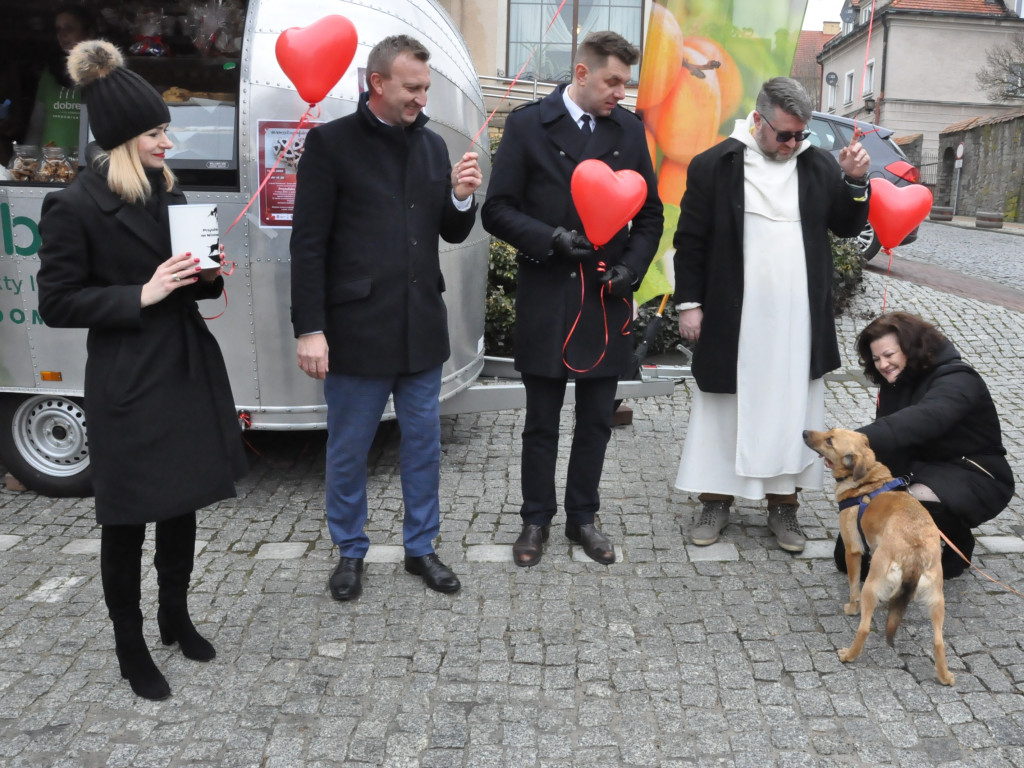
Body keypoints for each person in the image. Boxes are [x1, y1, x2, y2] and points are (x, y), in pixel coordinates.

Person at [36, 40, 247, 701]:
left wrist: (207, 277)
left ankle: (174, 616)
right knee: (127, 520)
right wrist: (142, 293)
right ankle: (130, 646)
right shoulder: (72, 206)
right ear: (128, 137)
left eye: (165, 129)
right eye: (158, 131)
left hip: (183, 366)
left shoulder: (166, 187)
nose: (168, 140)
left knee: (181, 505)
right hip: (127, 379)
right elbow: (58, 302)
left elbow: (195, 286)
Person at [289, 35, 481, 601]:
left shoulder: (432, 147)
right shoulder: (330, 145)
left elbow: (450, 229)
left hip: (421, 328)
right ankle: (350, 550)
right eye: (413, 87)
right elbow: (308, 246)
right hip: (354, 333)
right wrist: (310, 328)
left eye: (426, 87)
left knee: (423, 448)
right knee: (349, 451)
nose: (423, 98)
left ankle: (421, 548)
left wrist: (463, 197)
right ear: (378, 83)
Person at [482, 31, 663, 567]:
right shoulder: (526, 124)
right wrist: (549, 238)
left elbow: (649, 214)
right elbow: (497, 209)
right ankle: (535, 518)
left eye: (625, 84)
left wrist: (633, 266)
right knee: (541, 419)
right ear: (581, 74)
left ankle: (583, 517)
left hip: (605, 296)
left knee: (596, 419)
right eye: (612, 81)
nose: (620, 94)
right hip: (547, 289)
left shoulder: (628, 130)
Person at [673, 76, 871, 553]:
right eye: (785, 134)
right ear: (758, 120)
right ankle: (716, 500)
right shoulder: (713, 165)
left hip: (797, 320)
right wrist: (690, 304)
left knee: (793, 409)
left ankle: (785, 506)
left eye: (801, 135)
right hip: (731, 314)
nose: (793, 143)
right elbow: (690, 240)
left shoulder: (817, 165)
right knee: (724, 409)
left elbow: (847, 225)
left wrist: (856, 181)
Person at [834, 311, 1014, 579]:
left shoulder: (959, 380)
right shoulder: (894, 382)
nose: (883, 364)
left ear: (910, 348)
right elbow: (893, 444)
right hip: (917, 468)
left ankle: (957, 542)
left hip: (972, 473)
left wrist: (854, 442)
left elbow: (922, 420)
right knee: (848, 558)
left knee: (909, 506)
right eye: (876, 359)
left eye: (889, 355)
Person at [26, 5, 97, 151]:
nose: (62, 35)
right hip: (50, 165)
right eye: (58, 29)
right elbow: (37, 124)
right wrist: (27, 160)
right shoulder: (50, 74)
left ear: (89, 33)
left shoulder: (103, 74)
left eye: (70, 28)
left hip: (87, 167)